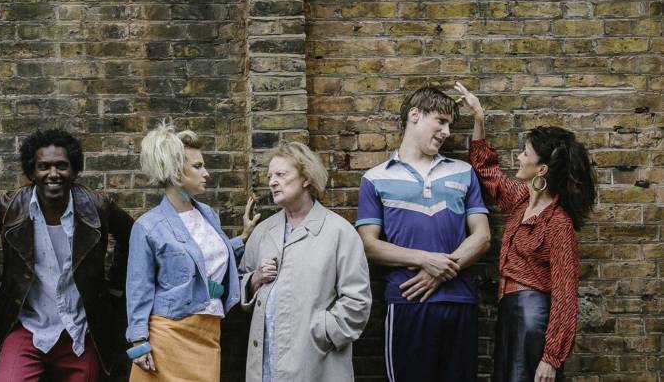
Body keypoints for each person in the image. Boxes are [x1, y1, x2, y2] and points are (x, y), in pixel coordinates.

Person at [455, 83, 594, 382]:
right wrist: (478, 117)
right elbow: (485, 170)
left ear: (541, 169)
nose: (518, 157)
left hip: (533, 320)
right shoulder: (520, 200)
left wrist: (551, 357)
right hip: (510, 315)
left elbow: (565, 296)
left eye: (525, 153)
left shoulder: (558, 223)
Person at [0, 129, 135, 382]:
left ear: (74, 170)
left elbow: (131, 237)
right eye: (44, 166)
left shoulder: (97, 206)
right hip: (27, 326)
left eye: (62, 166)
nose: (53, 174)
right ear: (32, 171)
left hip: (80, 329)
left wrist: (116, 288)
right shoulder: (10, 207)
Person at [356, 86, 492, 382]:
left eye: (450, 126)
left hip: (459, 302)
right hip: (407, 301)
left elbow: (482, 237)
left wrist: (439, 271)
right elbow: (368, 245)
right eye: (440, 122)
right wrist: (426, 260)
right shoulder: (375, 178)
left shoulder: (463, 172)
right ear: (415, 115)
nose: (446, 132)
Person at [125, 122, 253, 381]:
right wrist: (138, 341)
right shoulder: (148, 227)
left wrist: (241, 239)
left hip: (209, 333)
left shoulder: (208, 215)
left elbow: (203, 258)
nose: (206, 173)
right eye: (198, 166)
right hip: (168, 335)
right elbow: (139, 287)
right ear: (174, 171)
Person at [239, 142, 371, 381]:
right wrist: (254, 279)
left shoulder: (338, 232)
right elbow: (243, 279)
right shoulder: (263, 232)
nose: (272, 182)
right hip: (265, 361)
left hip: (315, 362)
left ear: (306, 178)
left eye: (281, 174)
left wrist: (321, 332)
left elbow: (357, 301)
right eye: (270, 176)